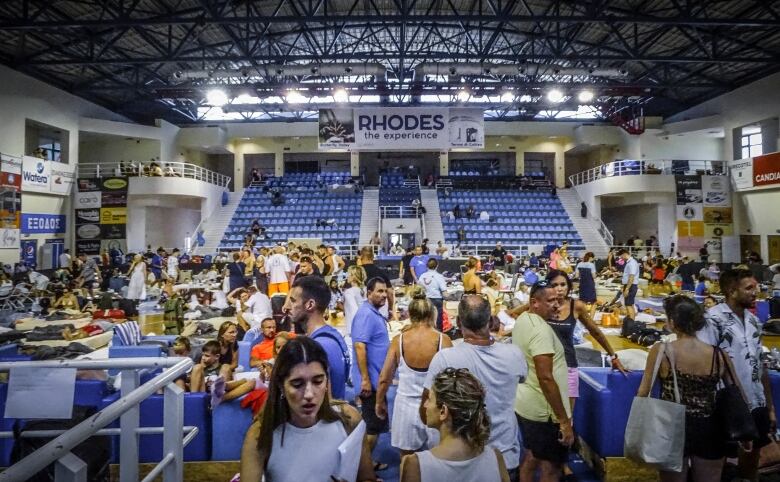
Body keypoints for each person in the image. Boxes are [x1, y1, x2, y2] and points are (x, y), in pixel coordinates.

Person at [637, 295, 745, 482]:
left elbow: (643, 392)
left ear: (671, 322)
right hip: (710, 427)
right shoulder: (718, 354)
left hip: (672, 427)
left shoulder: (662, 351)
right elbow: (737, 392)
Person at [239, 337, 376, 482]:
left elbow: (367, 478)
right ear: (281, 385)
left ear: (327, 380)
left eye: (318, 381)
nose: (309, 394)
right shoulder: (261, 434)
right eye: (297, 384)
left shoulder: (348, 419)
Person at [422, 295, 527, 479]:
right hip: (504, 456)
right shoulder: (515, 355)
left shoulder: (445, 359)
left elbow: (425, 413)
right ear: (491, 320)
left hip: (459, 459)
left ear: (458, 321)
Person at [697, 268, 776, 482]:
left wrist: (769, 407)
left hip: (755, 401)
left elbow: (760, 366)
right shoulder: (713, 320)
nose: (756, 292)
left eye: (756, 286)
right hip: (725, 403)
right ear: (732, 291)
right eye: (749, 288)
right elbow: (705, 363)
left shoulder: (753, 321)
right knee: (719, 462)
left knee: (751, 462)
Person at [376, 290, 453, 456]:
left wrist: (379, 401)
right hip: (435, 407)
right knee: (439, 459)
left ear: (410, 314)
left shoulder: (399, 340)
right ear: (432, 313)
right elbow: (453, 378)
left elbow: (384, 378)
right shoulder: (443, 340)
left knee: (407, 459)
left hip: (406, 408)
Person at [402, 368, 510, 482]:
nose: (425, 405)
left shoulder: (415, 465)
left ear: (443, 411)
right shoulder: (495, 458)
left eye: (429, 399)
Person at [513, 281, 572, 482]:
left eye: (557, 300)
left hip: (526, 404)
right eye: (550, 301)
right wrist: (563, 420)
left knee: (532, 456)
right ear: (534, 303)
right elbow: (546, 378)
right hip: (545, 412)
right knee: (552, 468)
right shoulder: (541, 332)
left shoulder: (523, 319)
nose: (556, 305)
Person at [545, 270, 628, 411]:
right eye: (554, 285)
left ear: (569, 287)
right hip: (544, 366)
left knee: (567, 414)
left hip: (568, 365)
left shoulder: (576, 306)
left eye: (563, 284)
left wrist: (613, 356)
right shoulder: (541, 305)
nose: (559, 289)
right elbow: (515, 314)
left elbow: (595, 331)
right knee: (545, 413)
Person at [283, 276, 350, 400]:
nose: (287, 307)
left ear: (310, 305)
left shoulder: (317, 346)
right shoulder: (334, 336)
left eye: (293, 301)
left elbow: (321, 398)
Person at [352, 277, 392, 471]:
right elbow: (360, 347)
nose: (384, 295)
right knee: (373, 428)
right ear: (369, 293)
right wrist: (366, 379)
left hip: (377, 380)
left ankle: (365, 464)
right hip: (371, 383)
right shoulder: (365, 315)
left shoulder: (373, 313)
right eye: (379, 291)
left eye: (385, 291)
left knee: (374, 425)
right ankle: (361, 469)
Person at [417, 258, 447, 331]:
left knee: (425, 321)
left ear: (427, 266)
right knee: (437, 322)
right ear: (437, 266)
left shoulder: (422, 276)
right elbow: (444, 293)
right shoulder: (439, 276)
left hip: (425, 300)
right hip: (437, 300)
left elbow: (419, 289)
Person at [343, 265, 367, 335]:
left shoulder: (349, 292)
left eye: (348, 274)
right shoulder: (366, 289)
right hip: (365, 328)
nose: (347, 276)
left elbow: (354, 311)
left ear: (353, 276)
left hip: (354, 331)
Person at [618, 248, 640, 320]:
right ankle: (631, 321)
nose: (621, 258)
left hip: (630, 286)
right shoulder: (630, 262)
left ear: (624, 254)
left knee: (628, 305)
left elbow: (631, 277)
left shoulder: (632, 263)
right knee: (630, 304)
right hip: (630, 285)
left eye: (621, 257)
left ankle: (631, 323)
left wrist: (627, 289)